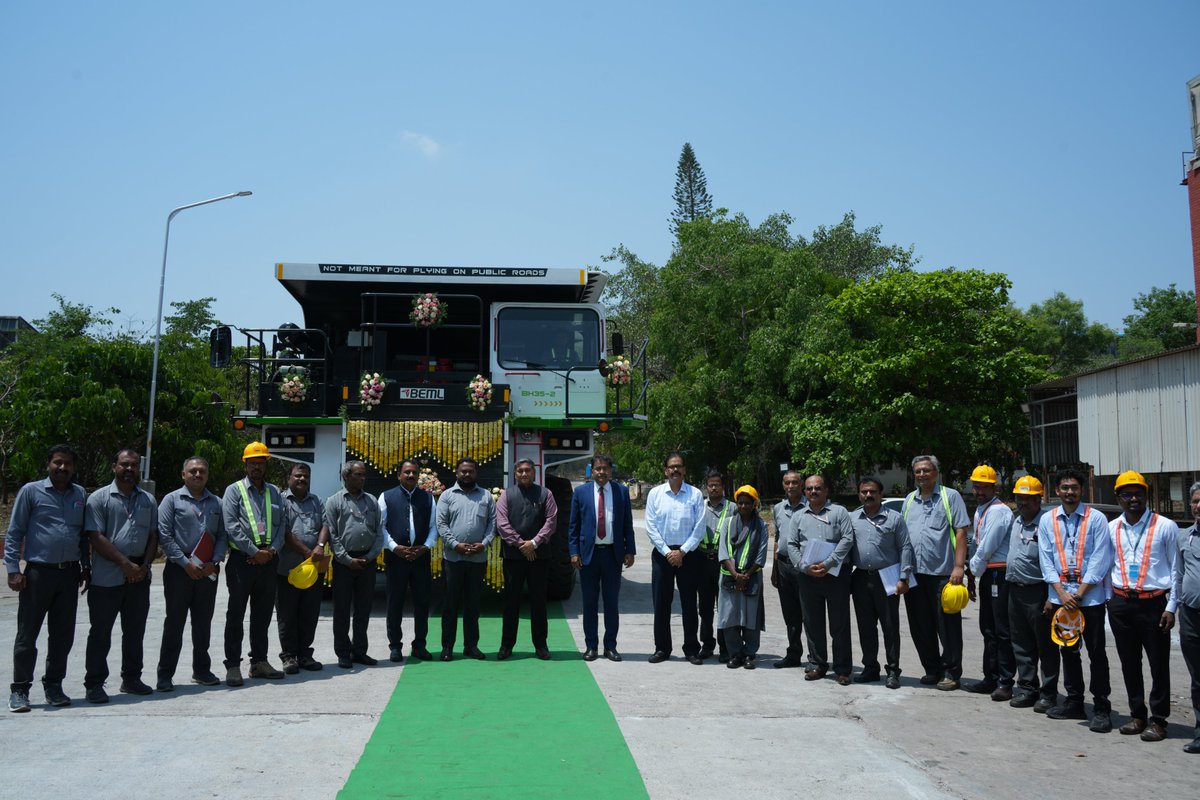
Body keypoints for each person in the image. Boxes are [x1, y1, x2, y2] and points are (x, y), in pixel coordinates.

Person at [6, 444, 88, 713]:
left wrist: (85, 567)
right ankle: (20, 689)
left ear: (74, 468)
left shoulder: (79, 494)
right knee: (28, 634)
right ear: (48, 464)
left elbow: (83, 535)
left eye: (67, 464)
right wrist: (13, 569)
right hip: (38, 573)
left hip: (69, 574)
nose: (62, 468)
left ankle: (54, 685)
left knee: (62, 636)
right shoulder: (31, 491)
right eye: (58, 463)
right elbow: (15, 532)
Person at [1038, 468, 1115, 733]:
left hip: (1089, 598)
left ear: (1082, 491)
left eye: (1074, 487)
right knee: (1068, 650)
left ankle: (1102, 707)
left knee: (1096, 653)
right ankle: (1074, 702)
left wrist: (1080, 593)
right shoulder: (1048, 520)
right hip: (1061, 597)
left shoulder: (1097, 519)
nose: (1069, 492)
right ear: (1056, 491)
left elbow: (1100, 559)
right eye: (1064, 487)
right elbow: (1045, 558)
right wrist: (1060, 593)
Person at [1106, 470, 1180, 743]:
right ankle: (1137, 714)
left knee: (1158, 664)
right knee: (1129, 663)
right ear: (1118, 498)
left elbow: (1176, 570)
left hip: (1154, 604)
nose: (1133, 498)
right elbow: (1106, 567)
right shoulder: (1112, 528)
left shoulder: (1165, 526)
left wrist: (1171, 606)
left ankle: (1159, 720)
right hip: (1122, 603)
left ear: (1147, 495)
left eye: (1138, 493)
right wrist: (1109, 602)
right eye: (1127, 494)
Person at [83, 449, 159, 703]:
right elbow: (96, 537)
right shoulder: (99, 498)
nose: (129, 469)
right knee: (101, 632)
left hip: (139, 575)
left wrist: (145, 566)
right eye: (124, 465)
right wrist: (125, 565)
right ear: (114, 466)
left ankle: (131, 678)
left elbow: (152, 535)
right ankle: (94, 683)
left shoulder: (148, 500)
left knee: (135, 631)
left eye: (134, 465)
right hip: (108, 577)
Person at [156, 456, 226, 691]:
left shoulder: (217, 502)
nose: (198, 475)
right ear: (183, 474)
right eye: (193, 471)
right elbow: (164, 535)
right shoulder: (171, 500)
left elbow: (223, 535)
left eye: (202, 471)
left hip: (207, 571)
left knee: (202, 624)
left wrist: (214, 561)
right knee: (174, 623)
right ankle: (165, 675)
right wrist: (185, 563)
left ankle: (202, 670)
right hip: (179, 571)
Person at [901, 455, 970, 691]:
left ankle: (951, 671)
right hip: (915, 575)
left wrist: (959, 566)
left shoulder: (950, 497)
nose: (922, 475)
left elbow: (961, 532)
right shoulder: (909, 500)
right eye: (918, 471)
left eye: (926, 471)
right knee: (920, 625)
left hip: (944, 574)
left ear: (936, 473)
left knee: (947, 626)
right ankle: (932, 669)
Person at [222, 441, 286, 686]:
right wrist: (253, 551)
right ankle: (233, 666)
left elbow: (281, 526)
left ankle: (259, 662)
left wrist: (271, 551)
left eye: (261, 462)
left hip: (268, 561)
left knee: (262, 615)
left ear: (266, 464)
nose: (257, 467)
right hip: (243, 561)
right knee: (236, 614)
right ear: (245, 464)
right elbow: (232, 526)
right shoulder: (234, 491)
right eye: (252, 463)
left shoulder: (274, 492)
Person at [785, 473, 854, 685]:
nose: (813, 492)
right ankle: (817, 664)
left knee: (839, 624)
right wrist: (805, 567)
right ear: (805, 492)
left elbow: (847, 538)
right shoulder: (799, 516)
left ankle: (842, 669)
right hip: (808, 577)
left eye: (818, 488)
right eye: (809, 489)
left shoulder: (839, 512)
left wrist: (829, 563)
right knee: (812, 623)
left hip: (835, 576)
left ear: (826, 490)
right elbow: (791, 544)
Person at [568, 454, 635, 661]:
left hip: (612, 555)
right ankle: (591, 646)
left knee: (611, 604)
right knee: (589, 603)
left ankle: (610, 646)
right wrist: (574, 552)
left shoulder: (621, 492)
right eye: (598, 469)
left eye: (605, 468)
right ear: (592, 470)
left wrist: (630, 550)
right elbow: (573, 526)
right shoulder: (580, 492)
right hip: (589, 556)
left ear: (611, 470)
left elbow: (627, 524)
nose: (601, 472)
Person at [849, 477, 913, 690]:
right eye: (864, 492)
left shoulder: (894, 519)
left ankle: (893, 670)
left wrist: (904, 577)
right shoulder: (853, 518)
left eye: (873, 492)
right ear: (859, 494)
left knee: (890, 626)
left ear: (880, 494)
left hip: (887, 577)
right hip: (859, 577)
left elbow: (905, 547)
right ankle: (870, 667)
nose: (868, 495)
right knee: (866, 627)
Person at [1003, 476, 1059, 713]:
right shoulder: (1016, 522)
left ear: (1039, 499)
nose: (1023, 503)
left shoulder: (1046, 525)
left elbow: (1055, 562)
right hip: (1015, 590)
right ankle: (1027, 688)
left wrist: (1050, 597)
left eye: (1028, 499)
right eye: (1019, 498)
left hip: (1039, 592)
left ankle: (1048, 693)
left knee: (1045, 645)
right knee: (1021, 643)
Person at [644, 452, 706, 664]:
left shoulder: (696, 494)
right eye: (671, 466)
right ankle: (662, 648)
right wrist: (667, 552)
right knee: (661, 603)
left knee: (689, 603)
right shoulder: (655, 494)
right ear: (665, 470)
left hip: (688, 555)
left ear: (685, 470)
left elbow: (699, 528)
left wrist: (682, 552)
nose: (675, 470)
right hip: (663, 555)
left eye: (679, 466)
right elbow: (650, 526)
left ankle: (691, 649)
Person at [324, 460, 384, 669]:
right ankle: (343, 652)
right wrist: (348, 560)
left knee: (363, 609)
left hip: (367, 561)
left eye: (364, 475)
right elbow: (332, 534)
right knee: (341, 610)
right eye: (358, 474)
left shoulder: (371, 501)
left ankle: (360, 651)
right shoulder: (334, 501)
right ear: (346, 477)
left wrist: (369, 557)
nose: (363, 478)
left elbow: (379, 532)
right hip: (344, 563)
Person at [496, 459, 558, 660]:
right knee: (510, 603)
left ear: (534, 473)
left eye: (528, 471)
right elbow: (502, 523)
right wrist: (521, 544)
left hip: (539, 557)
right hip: (513, 557)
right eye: (520, 471)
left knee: (538, 602)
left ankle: (541, 645)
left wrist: (534, 543)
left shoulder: (545, 494)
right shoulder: (506, 495)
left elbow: (551, 521)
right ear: (515, 474)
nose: (524, 474)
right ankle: (506, 645)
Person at [437, 458, 496, 661]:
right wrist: (456, 545)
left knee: (473, 605)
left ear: (476, 473)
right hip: (453, 559)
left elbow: (492, 524)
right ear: (456, 473)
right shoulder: (447, 496)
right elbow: (441, 524)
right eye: (463, 471)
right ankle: (447, 647)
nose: (467, 475)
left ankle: (471, 646)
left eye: (470, 471)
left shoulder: (486, 496)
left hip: (478, 559)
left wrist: (485, 543)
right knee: (450, 605)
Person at [379, 459, 437, 663]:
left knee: (422, 603)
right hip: (396, 559)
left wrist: (425, 547)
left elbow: (433, 527)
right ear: (399, 475)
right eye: (407, 472)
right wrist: (395, 548)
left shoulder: (428, 498)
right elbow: (381, 527)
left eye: (414, 472)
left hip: (421, 558)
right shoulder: (386, 497)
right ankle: (395, 646)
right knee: (395, 603)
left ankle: (420, 645)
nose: (411, 476)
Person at [966, 464, 1016, 701]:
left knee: (1001, 630)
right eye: (976, 486)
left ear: (993, 487)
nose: (979, 491)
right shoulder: (981, 510)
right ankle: (991, 677)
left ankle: (1005, 680)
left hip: (999, 572)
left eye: (984, 486)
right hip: (987, 573)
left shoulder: (998, 511)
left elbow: (987, 547)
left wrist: (972, 569)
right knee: (988, 629)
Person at [276, 462, 327, 674]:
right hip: (287, 568)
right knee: (287, 615)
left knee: (309, 612)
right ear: (289, 478)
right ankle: (288, 657)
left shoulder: (316, 501)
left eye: (305, 476)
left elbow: (326, 525)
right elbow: (284, 532)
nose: (302, 479)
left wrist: (320, 546)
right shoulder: (281, 501)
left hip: (313, 570)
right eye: (298, 476)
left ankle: (305, 655)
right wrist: (308, 552)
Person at [718, 486, 768, 669]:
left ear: (754, 504)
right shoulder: (728, 523)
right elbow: (722, 552)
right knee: (729, 617)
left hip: (751, 577)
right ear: (736, 504)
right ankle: (735, 654)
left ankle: (749, 654)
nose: (744, 506)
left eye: (748, 503)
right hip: (729, 577)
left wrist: (745, 576)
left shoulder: (762, 525)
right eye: (740, 502)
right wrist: (735, 575)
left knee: (751, 617)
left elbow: (761, 555)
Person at [770, 470, 807, 669]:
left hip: (804, 566)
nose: (791, 486)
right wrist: (775, 569)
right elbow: (777, 539)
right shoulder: (778, 508)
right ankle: (793, 654)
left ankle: (816, 657)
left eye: (794, 482)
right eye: (787, 483)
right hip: (784, 565)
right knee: (790, 614)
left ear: (801, 484)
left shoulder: (810, 506)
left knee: (809, 614)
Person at [699, 470, 734, 662]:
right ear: (706, 487)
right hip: (702, 562)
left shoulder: (732, 508)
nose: (713, 488)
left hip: (723, 563)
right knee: (704, 607)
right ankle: (706, 644)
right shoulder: (699, 506)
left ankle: (724, 646)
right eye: (710, 485)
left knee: (724, 607)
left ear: (723, 487)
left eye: (717, 485)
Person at [1176, 482, 1200, 754]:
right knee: (1197, 678)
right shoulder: (1185, 537)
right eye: (1195, 501)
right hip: (1191, 616)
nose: (1198, 506)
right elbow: (1179, 576)